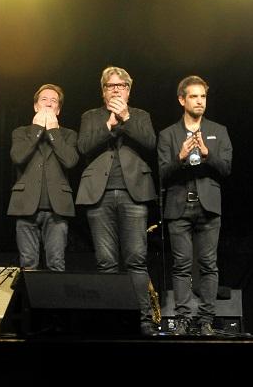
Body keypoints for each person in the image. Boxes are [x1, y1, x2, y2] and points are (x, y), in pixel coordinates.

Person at [76, 66, 159, 336]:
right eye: (111, 86)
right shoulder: (91, 116)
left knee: (136, 259)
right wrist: (109, 125)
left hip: (133, 194)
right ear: (103, 91)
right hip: (98, 195)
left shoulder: (141, 115)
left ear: (129, 90)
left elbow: (150, 143)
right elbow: (83, 147)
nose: (116, 89)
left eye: (121, 85)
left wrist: (126, 117)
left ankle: (143, 319)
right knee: (106, 262)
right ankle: (109, 317)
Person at [157, 75, 232, 336]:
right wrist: (179, 158)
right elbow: (161, 173)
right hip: (178, 207)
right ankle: (183, 319)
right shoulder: (168, 134)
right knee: (182, 266)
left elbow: (226, 169)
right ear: (182, 99)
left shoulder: (218, 130)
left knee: (209, 264)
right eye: (194, 96)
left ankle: (205, 320)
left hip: (208, 207)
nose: (200, 101)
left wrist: (208, 154)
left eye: (203, 96)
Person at [7, 84, 78, 271]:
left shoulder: (68, 135)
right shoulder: (21, 132)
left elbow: (70, 161)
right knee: (28, 264)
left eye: (53, 101)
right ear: (36, 107)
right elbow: (18, 157)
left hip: (57, 209)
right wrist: (37, 129)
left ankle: (55, 301)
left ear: (58, 109)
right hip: (25, 206)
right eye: (44, 100)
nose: (48, 104)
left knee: (56, 263)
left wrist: (53, 131)